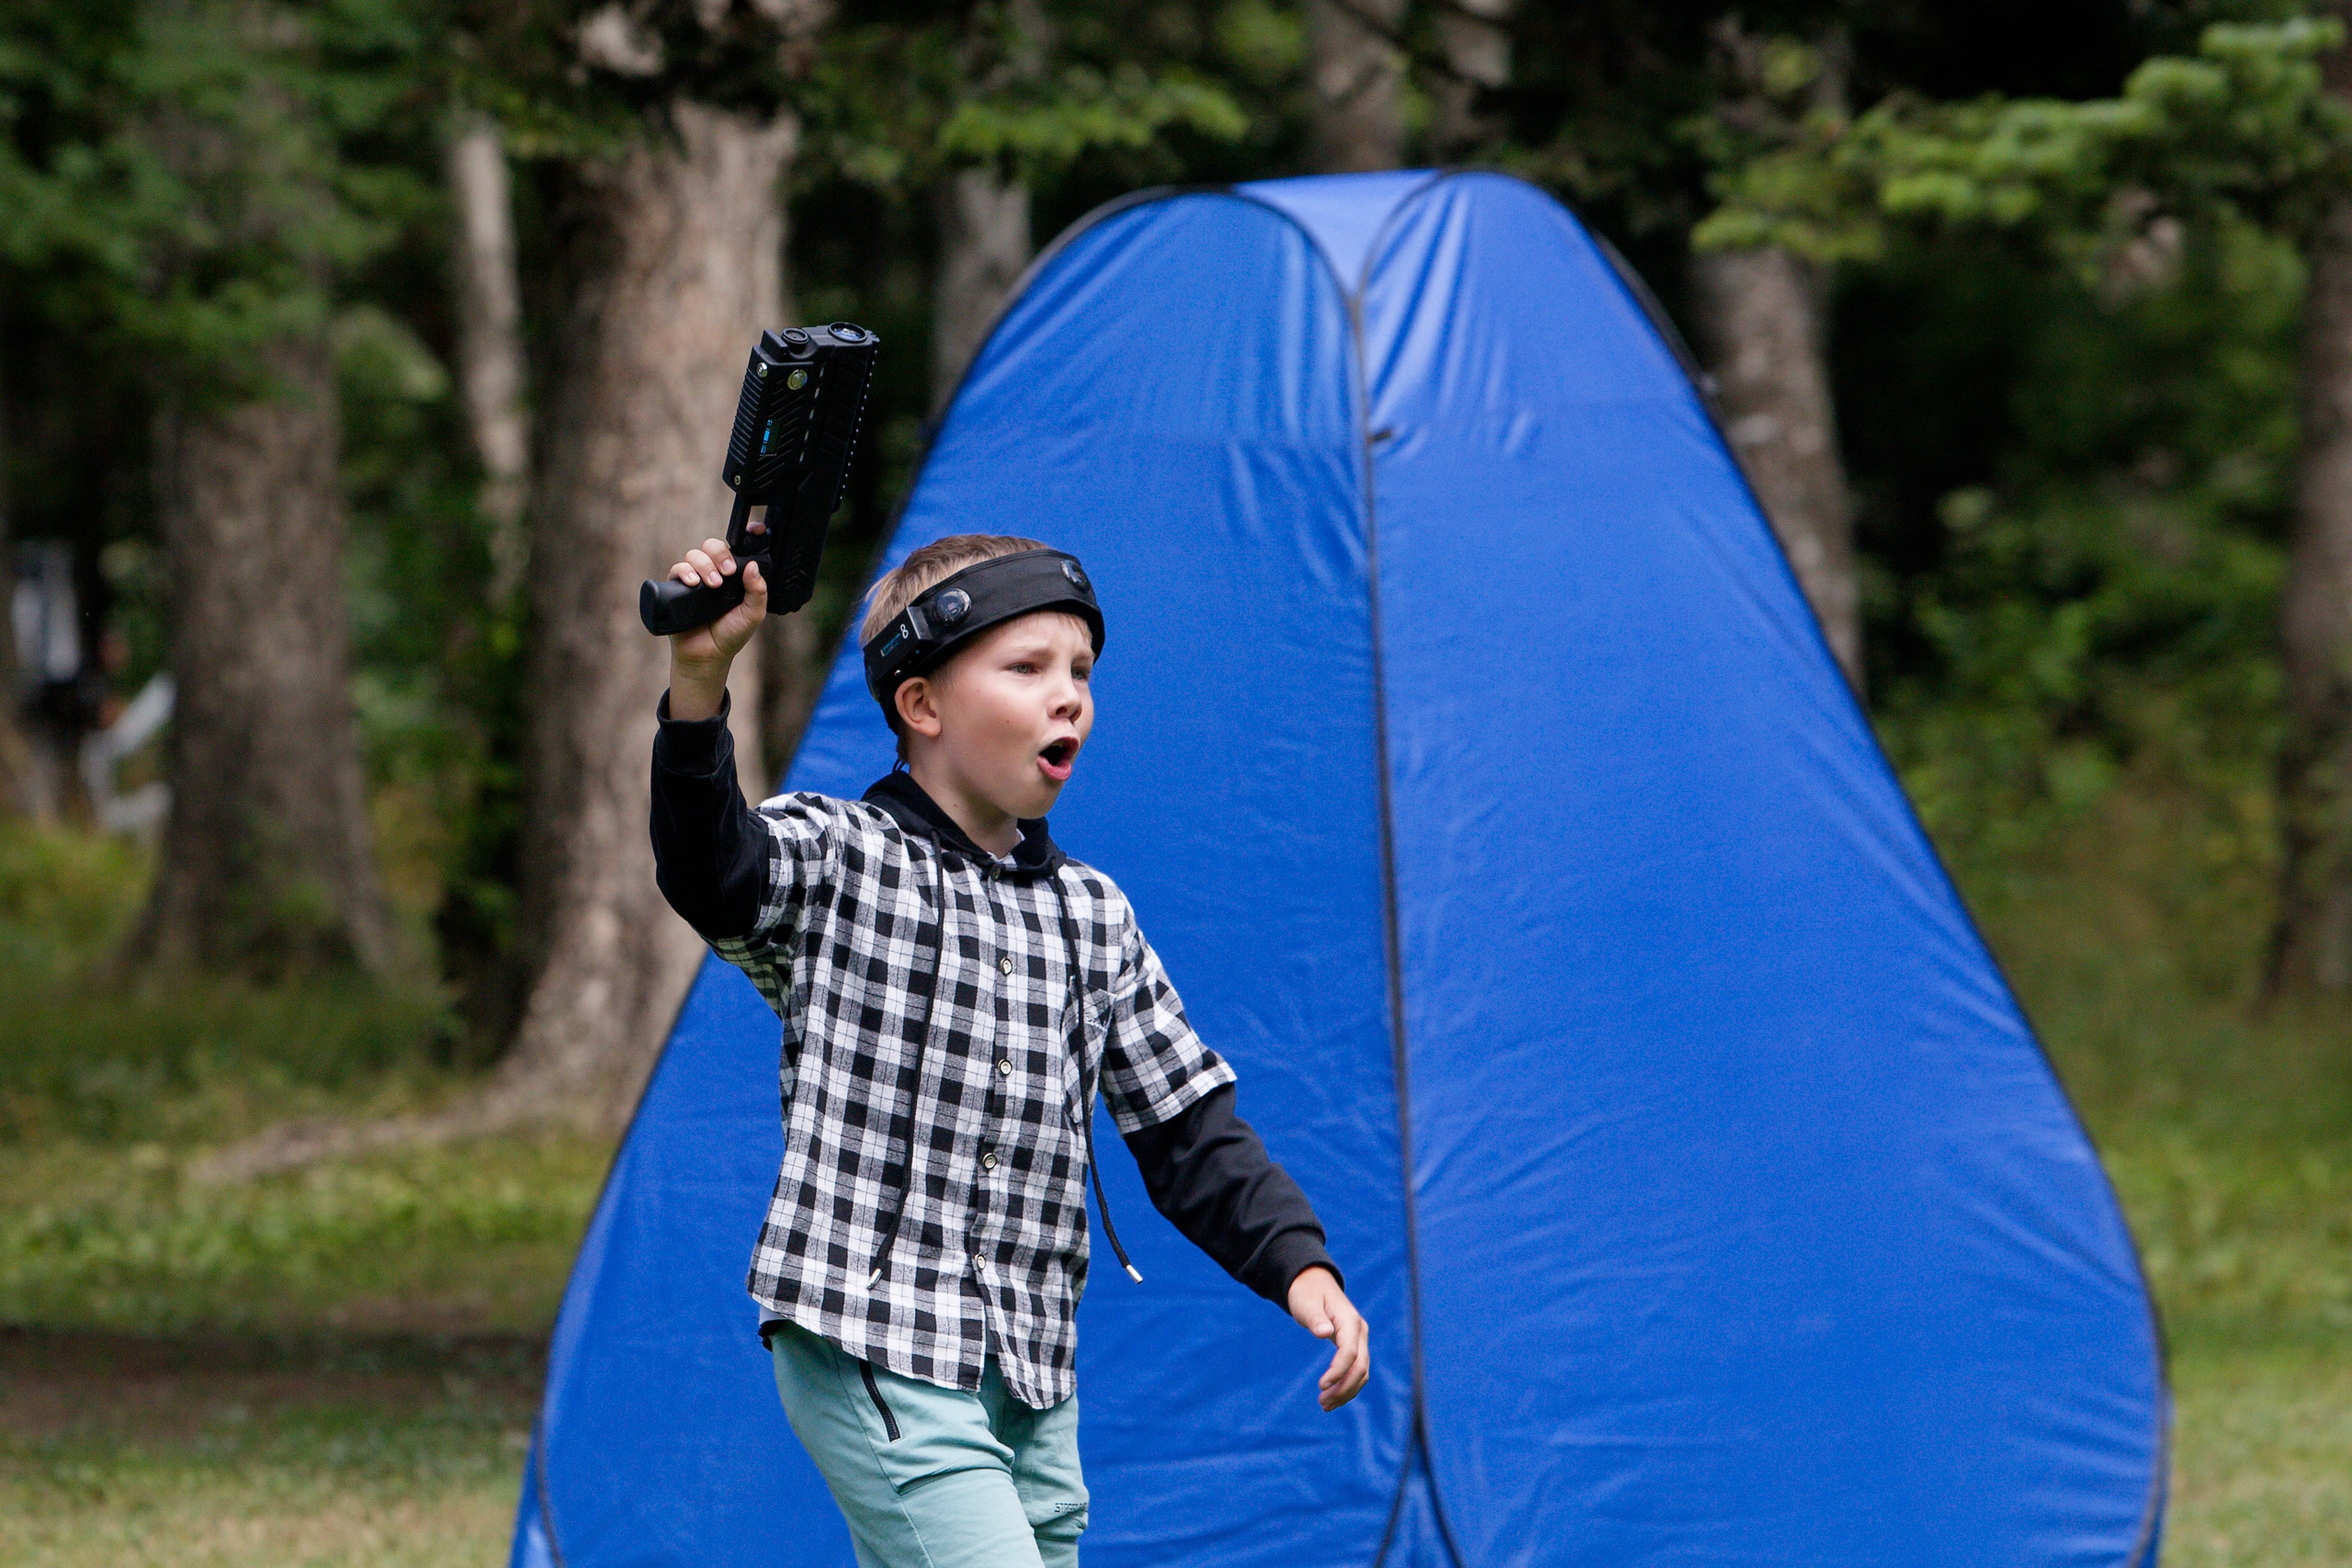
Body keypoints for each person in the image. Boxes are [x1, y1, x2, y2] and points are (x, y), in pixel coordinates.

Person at [649, 526, 1370, 1568]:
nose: (1068, 693)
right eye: (1026, 667)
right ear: (923, 705)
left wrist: (1300, 1266)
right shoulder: (841, 858)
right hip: (873, 1335)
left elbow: (1186, 1130)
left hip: (1029, 1367)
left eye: (1080, 670)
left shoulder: (1092, 916)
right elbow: (709, 870)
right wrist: (699, 683)